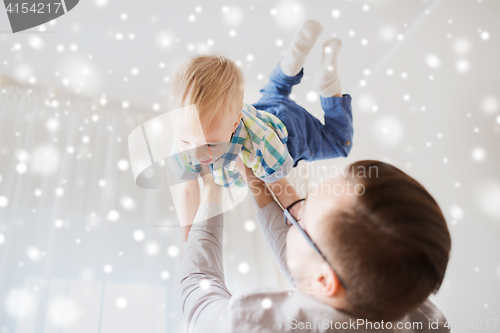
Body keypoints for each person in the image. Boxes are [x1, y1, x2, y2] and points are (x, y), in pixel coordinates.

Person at [181, 160, 452, 332]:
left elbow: (198, 285)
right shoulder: (421, 315)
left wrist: (210, 190)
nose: (293, 215)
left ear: (325, 280)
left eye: (301, 221)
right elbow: (311, 264)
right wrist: (254, 179)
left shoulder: (258, 325)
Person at [167, 19, 353, 243]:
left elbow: (280, 186)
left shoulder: (257, 148)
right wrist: (186, 238)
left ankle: (329, 85)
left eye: (210, 145)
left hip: (291, 135)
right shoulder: (189, 133)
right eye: (187, 141)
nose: (197, 154)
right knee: (273, 92)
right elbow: (188, 190)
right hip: (263, 112)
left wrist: (300, 214)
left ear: (234, 125)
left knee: (338, 143)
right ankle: (290, 63)